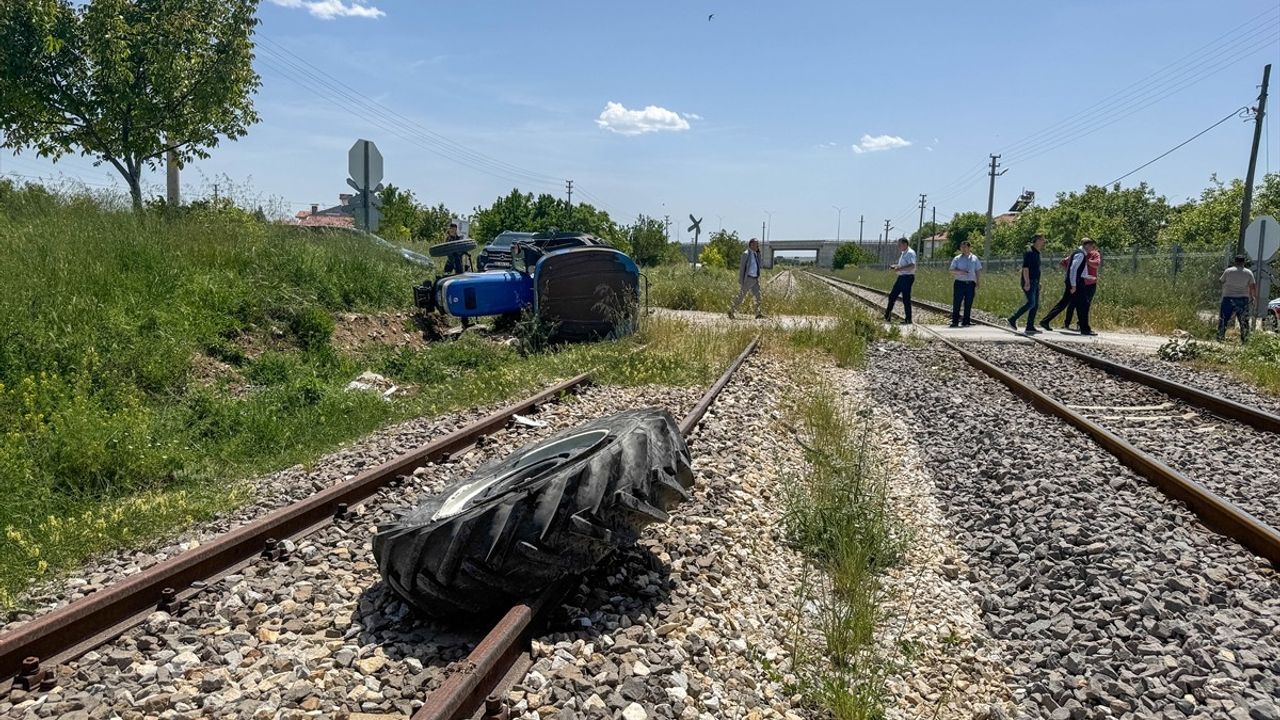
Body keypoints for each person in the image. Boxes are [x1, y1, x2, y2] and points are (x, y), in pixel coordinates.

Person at [1040, 238, 1095, 332]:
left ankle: (1045, 321)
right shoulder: (1080, 254)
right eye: (1092, 246)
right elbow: (1073, 269)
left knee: (1064, 303)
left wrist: (1088, 276)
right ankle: (1085, 329)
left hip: (1074, 282)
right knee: (1083, 304)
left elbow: (1079, 270)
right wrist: (1074, 285)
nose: (1092, 249)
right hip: (1076, 283)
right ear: (1087, 245)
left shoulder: (1080, 253)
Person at [1008, 234, 1046, 333]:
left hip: (1035, 281)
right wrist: (1027, 282)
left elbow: (1035, 269)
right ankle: (1012, 318)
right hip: (1029, 281)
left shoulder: (1037, 252)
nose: (1044, 242)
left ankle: (1030, 326)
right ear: (1037, 240)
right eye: (1042, 240)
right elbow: (1025, 268)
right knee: (1031, 303)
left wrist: (1038, 282)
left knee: (1035, 304)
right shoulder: (1029, 252)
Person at [1217, 254, 1257, 342]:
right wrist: (1253, 297)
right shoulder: (1248, 272)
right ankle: (1245, 340)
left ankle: (1220, 337)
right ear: (1244, 262)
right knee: (1243, 320)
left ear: (1235, 261)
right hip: (1243, 299)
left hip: (1228, 297)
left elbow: (1221, 281)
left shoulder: (1228, 271)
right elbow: (1252, 286)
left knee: (1224, 318)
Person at [948, 240, 982, 327]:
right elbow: (951, 270)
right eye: (961, 247)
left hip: (970, 283)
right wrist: (960, 271)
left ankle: (966, 321)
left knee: (968, 302)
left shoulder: (975, 258)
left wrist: (978, 281)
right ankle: (955, 321)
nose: (963, 249)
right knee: (957, 302)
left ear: (969, 248)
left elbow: (977, 270)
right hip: (959, 283)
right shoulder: (957, 258)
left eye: (965, 247)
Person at [729, 238, 764, 319]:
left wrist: (759, 253)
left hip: (755, 279)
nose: (758, 246)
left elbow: (758, 264)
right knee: (741, 296)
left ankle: (758, 313)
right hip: (748, 279)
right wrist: (741, 280)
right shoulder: (746, 254)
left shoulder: (756, 253)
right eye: (756, 244)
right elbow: (742, 268)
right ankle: (731, 311)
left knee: (758, 296)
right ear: (751, 244)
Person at [885, 238, 917, 324]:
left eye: (899, 245)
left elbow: (912, 266)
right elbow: (903, 265)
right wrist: (895, 266)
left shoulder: (910, 253)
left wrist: (899, 268)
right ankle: (887, 316)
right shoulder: (904, 253)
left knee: (906, 299)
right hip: (901, 277)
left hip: (907, 277)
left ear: (905, 244)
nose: (898, 247)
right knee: (892, 296)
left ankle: (908, 319)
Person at [1075, 244, 1101, 336]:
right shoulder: (1078, 254)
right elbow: (1066, 263)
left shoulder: (1094, 254)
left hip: (1090, 284)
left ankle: (1082, 325)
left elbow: (1096, 264)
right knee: (1078, 305)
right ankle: (1083, 327)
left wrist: (1086, 261)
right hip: (1080, 283)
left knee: (1086, 305)